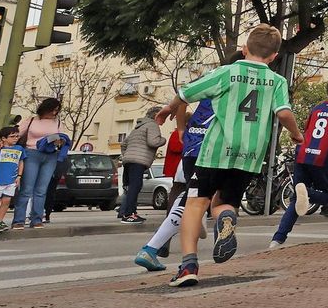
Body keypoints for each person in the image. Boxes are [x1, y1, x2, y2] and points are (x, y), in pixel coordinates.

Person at [155, 25, 302, 286]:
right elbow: (283, 113)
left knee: (195, 204)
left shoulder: (227, 72)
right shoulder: (278, 81)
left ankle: (188, 265)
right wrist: (296, 134)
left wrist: (168, 109)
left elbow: (186, 92)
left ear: (245, 49)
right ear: (275, 55)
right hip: (249, 155)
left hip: (215, 152)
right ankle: (226, 216)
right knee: (226, 201)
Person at [134, 56, 227, 273]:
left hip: (193, 145)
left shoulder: (212, 79)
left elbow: (183, 95)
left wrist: (181, 128)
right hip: (208, 149)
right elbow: (183, 95)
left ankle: (157, 246)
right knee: (192, 201)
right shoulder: (232, 81)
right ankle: (153, 248)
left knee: (191, 198)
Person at [270, 77, 328, 248]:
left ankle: (277, 239)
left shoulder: (316, 109)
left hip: (303, 154)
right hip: (323, 158)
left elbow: (306, 129)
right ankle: (307, 193)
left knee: (297, 200)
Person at [12, 98, 66, 229]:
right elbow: (17, 133)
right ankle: (18, 220)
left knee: (41, 190)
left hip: (50, 155)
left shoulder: (58, 123)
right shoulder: (31, 120)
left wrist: (57, 141)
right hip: (31, 153)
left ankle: (36, 219)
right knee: (26, 189)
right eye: (53, 109)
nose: (54, 113)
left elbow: (63, 138)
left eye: (57, 110)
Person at [119, 107, 165, 223]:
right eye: (163, 116)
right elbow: (153, 142)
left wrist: (127, 155)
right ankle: (129, 214)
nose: (164, 120)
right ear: (156, 116)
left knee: (131, 188)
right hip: (138, 161)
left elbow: (124, 144)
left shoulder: (137, 128)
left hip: (128, 161)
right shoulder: (152, 125)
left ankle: (126, 212)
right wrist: (163, 140)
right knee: (135, 186)